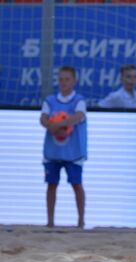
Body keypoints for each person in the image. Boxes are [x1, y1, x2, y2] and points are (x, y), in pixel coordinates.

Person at [39, 65, 88, 228]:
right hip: (53, 152)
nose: (63, 82)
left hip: (73, 153)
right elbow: (43, 118)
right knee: (51, 185)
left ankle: (81, 221)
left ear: (74, 81)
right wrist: (49, 125)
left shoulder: (79, 101)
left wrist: (59, 124)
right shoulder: (50, 100)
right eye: (60, 79)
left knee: (76, 184)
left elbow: (79, 116)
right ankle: (50, 222)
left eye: (67, 79)